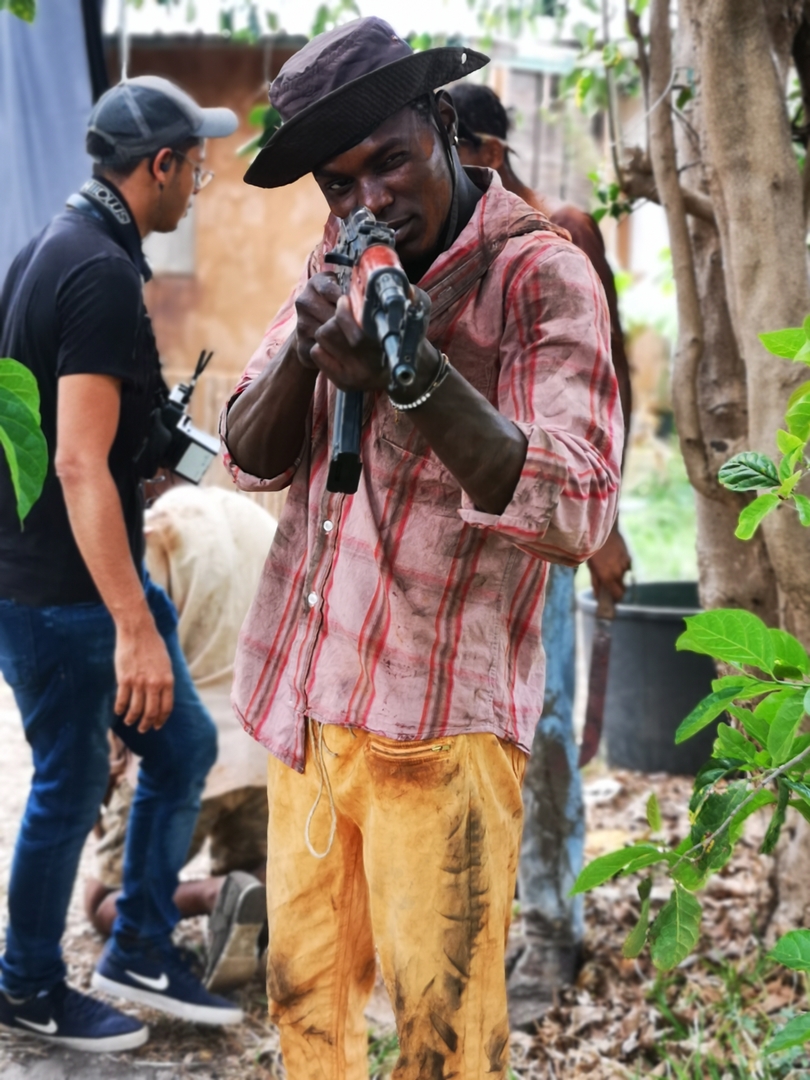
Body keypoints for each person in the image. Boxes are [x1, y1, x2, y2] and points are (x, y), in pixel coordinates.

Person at [220, 17, 623, 1079]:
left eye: (389, 161)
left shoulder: (540, 277)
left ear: (442, 122)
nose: (370, 201)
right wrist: (308, 353)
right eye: (338, 185)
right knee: (307, 1008)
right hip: (309, 711)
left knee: (445, 1045)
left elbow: (579, 504)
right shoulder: (337, 257)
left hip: (439, 733)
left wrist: (416, 376)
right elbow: (248, 454)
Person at [0, 76, 244, 1053]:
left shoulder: (48, 251)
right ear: (160, 165)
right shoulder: (97, 272)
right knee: (68, 784)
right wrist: (133, 625)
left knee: (181, 747)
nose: (198, 184)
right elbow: (72, 461)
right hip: (66, 596)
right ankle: (26, 986)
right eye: (195, 166)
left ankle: (139, 942)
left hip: (70, 578)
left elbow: (69, 442)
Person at [452, 82, 633, 1026]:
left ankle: (556, 925)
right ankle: (493, 913)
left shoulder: (560, 236)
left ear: (486, 151)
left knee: (549, 721)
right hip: (467, 530)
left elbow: (606, 392)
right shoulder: (439, 247)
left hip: (548, 522)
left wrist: (608, 531)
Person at [85, 486, 275, 993]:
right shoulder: (261, 521)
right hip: (268, 750)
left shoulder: (157, 532)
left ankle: (213, 894)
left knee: (102, 902)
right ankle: (255, 894)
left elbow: (128, 665)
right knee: (254, 867)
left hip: (191, 750)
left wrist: (107, 771)